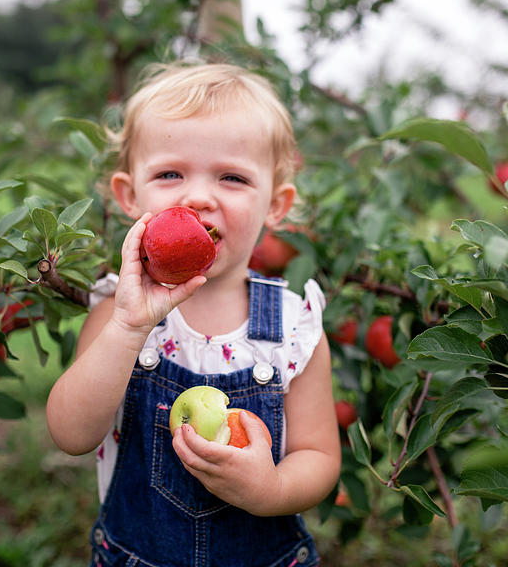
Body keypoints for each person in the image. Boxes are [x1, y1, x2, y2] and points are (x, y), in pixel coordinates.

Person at [46, 62, 340, 567]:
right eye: (169, 174)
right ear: (129, 195)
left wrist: (269, 488)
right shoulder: (119, 313)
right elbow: (72, 435)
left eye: (232, 177)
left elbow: (319, 458)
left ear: (276, 204)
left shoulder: (294, 328)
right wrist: (128, 327)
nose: (198, 196)